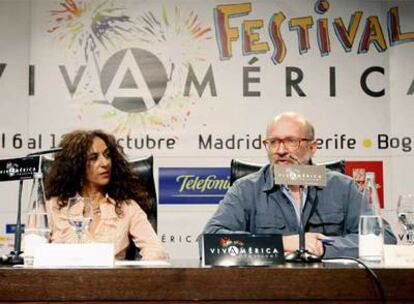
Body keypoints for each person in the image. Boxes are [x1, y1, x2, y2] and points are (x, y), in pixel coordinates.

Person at [202, 112, 396, 258]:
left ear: (313, 147)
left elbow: (384, 238)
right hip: (265, 289)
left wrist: (323, 247)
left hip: (332, 289)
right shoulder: (246, 189)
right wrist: (283, 243)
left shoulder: (342, 187)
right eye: (273, 142)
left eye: (290, 141)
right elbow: (210, 239)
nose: (280, 150)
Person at [44, 129, 168, 260]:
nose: (105, 163)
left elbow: (156, 251)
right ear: (76, 166)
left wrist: (134, 277)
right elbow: (30, 249)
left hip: (112, 279)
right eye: (94, 158)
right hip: (63, 279)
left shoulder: (127, 207)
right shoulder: (52, 205)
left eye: (107, 155)